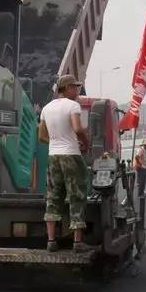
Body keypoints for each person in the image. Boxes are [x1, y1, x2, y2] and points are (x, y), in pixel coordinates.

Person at [37, 74, 92, 252]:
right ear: (67, 88)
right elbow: (77, 128)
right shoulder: (73, 105)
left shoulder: (46, 108)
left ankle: (51, 241)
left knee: (53, 196)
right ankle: (77, 242)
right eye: (75, 87)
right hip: (71, 155)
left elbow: (41, 136)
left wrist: (55, 141)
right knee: (76, 194)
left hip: (53, 156)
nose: (77, 90)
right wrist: (85, 142)